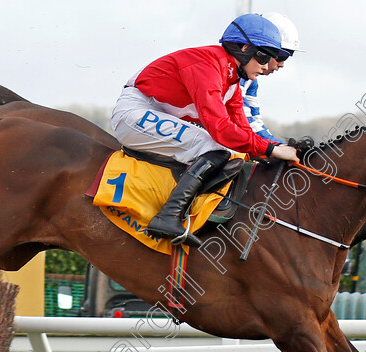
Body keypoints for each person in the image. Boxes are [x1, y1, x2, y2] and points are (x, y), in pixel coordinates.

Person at [111, 13, 300, 248]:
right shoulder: (208, 65)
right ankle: (168, 216)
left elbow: (242, 130)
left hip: (154, 113)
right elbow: (220, 128)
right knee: (212, 145)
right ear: (243, 48)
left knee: (227, 150)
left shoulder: (232, 82)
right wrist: (271, 149)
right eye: (263, 57)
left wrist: (272, 152)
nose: (265, 67)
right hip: (133, 113)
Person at [241, 13, 302, 144]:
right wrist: (276, 146)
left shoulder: (251, 82)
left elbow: (255, 122)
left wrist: (278, 145)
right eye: (281, 56)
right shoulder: (239, 76)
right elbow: (243, 120)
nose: (282, 64)